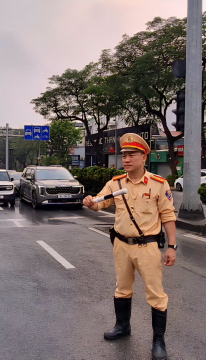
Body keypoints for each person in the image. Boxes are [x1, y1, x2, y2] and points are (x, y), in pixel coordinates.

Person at [82, 133, 177, 360]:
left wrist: (172, 246)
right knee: (122, 288)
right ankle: (122, 326)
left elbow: (168, 216)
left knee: (156, 294)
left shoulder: (158, 184)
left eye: (132, 155)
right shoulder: (115, 183)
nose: (126, 159)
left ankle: (158, 340)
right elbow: (100, 202)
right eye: (124, 155)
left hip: (147, 247)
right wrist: (90, 202)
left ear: (144, 157)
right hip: (121, 245)